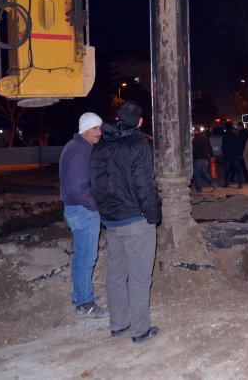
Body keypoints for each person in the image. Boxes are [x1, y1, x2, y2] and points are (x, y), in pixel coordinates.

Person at [90, 101, 162, 343]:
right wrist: (153, 216)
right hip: (135, 219)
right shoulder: (138, 145)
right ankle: (140, 330)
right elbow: (145, 185)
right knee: (140, 275)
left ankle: (118, 325)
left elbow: (95, 184)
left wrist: (105, 214)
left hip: (111, 220)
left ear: (117, 118)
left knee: (116, 273)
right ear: (140, 122)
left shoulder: (101, 146)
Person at [59, 112, 108, 318]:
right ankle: (85, 304)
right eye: (95, 128)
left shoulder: (77, 147)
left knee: (82, 256)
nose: (99, 133)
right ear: (86, 129)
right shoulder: (79, 151)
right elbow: (78, 188)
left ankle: (80, 296)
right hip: (83, 210)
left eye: (100, 128)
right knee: (87, 258)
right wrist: (94, 206)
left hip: (77, 210)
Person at [192, 127, 215, 193]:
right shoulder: (206, 138)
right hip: (205, 159)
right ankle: (212, 184)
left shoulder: (196, 139)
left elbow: (193, 148)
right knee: (204, 173)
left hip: (198, 159)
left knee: (196, 175)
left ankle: (199, 189)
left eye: (194, 131)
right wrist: (212, 155)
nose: (193, 132)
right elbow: (209, 147)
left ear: (196, 131)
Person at [221, 122, 244, 188]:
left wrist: (224, 154)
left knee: (227, 171)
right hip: (235, 155)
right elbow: (240, 145)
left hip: (228, 155)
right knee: (238, 170)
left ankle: (226, 184)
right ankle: (240, 184)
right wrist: (240, 154)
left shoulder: (225, 136)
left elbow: (223, 146)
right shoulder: (235, 135)